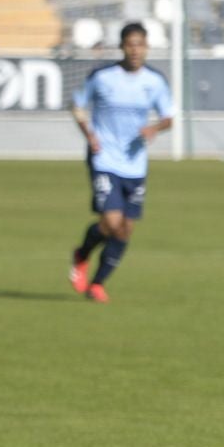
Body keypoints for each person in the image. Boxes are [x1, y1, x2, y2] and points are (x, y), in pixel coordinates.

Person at [67, 23, 173, 303]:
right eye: (130, 44)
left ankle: (97, 284)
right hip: (104, 158)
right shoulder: (102, 77)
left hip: (135, 164)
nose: (135, 50)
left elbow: (169, 117)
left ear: (147, 47)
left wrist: (155, 129)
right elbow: (77, 105)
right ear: (122, 46)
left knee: (125, 228)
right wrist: (88, 134)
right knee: (113, 221)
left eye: (140, 44)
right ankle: (81, 255)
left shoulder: (155, 81)